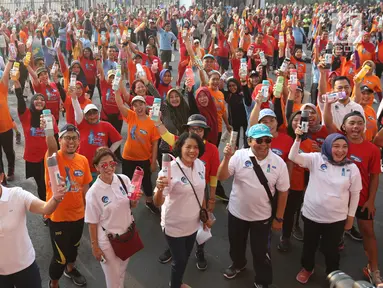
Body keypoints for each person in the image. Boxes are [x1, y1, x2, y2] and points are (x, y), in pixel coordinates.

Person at [217, 124, 289, 288]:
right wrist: (227, 158)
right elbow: (221, 177)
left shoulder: (279, 163)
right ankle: (238, 264)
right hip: (237, 213)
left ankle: (262, 280)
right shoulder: (238, 156)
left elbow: (283, 192)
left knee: (261, 252)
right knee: (236, 245)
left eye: (267, 140)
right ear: (249, 141)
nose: (264, 144)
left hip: (262, 217)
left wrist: (279, 218)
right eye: (259, 140)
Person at [288, 132, 362, 284]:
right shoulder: (316, 159)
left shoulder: (352, 168)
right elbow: (293, 157)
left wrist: (350, 218)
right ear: (328, 146)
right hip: (311, 215)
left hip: (336, 219)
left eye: (344, 147)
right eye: (336, 146)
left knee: (331, 250)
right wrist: (297, 139)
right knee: (309, 245)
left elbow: (355, 194)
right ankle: (307, 268)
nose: (340, 151)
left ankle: (333, 273)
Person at [155, 114, 220, 270]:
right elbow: (165, 134)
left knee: (201, 221)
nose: (196, 132)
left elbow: (213, 176)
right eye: (193, 129)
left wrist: (211, 198)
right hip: (180, 189)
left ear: (205, 131)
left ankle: (200, 251)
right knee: (179, 219)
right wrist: (157, 121)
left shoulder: (211, 149)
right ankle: (173, 249)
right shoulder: (182, 142)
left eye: (200, 129)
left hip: (200, 189)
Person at [0, 163, 66, 288]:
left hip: (25, 267)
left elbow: (45, 208)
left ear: (1, 177)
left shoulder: (17, 195)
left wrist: (56, 197)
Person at [85, 147, 142, 288]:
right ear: (96, 167)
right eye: (104, 164)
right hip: (109, 242)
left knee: (121, 270)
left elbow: (131, 205)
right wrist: (95, 247)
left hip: (127, 235)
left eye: (112, 163)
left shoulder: (123, 180)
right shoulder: (93, 193)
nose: (109, 168)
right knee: (112, 279)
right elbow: (92, 222)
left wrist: (135, 200)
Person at [43, 124, 92, 288]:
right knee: (60, 257)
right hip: (58, 217)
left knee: (73, 248)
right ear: (60, 140)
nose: (71, 141)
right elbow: (50, 146)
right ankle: (54, 283)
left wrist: (91, 211)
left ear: (79, 141)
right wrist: (48, 128)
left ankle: (70, 270)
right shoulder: (53, 159)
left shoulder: (83, 160)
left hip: (78, 216)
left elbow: (86, 189)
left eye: (74, 138)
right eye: (67, 138)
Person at [115, 88, 160, 214]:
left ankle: (149, 202)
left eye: (141, 104)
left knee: (146, 183)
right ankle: (125, 203)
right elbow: (119, 104)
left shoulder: (152, 122)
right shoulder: (131, 116)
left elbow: (155, 143)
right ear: (133, 107)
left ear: (146, 105)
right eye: (135, 105)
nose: (138, 107)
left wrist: (153, 161)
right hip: (128, 157)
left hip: (144, 158)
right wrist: (116, 90)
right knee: (126, 181)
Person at [71, 97, 122, 182]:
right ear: (85, 116)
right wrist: (74, 98)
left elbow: (118, 139)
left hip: (99, 167)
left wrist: (109, 151)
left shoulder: (106, 125)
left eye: (94, 113)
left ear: (98, 114)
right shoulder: (81, 124)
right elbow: (77, 110)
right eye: (89, 114)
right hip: (82, 165)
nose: (92, 116)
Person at [0, 58, 16, 182]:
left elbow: (5, 75)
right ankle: (2, 179)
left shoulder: (2, 90)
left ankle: (11, 169)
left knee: (9, 152)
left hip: (6, 128)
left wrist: (10, 60)